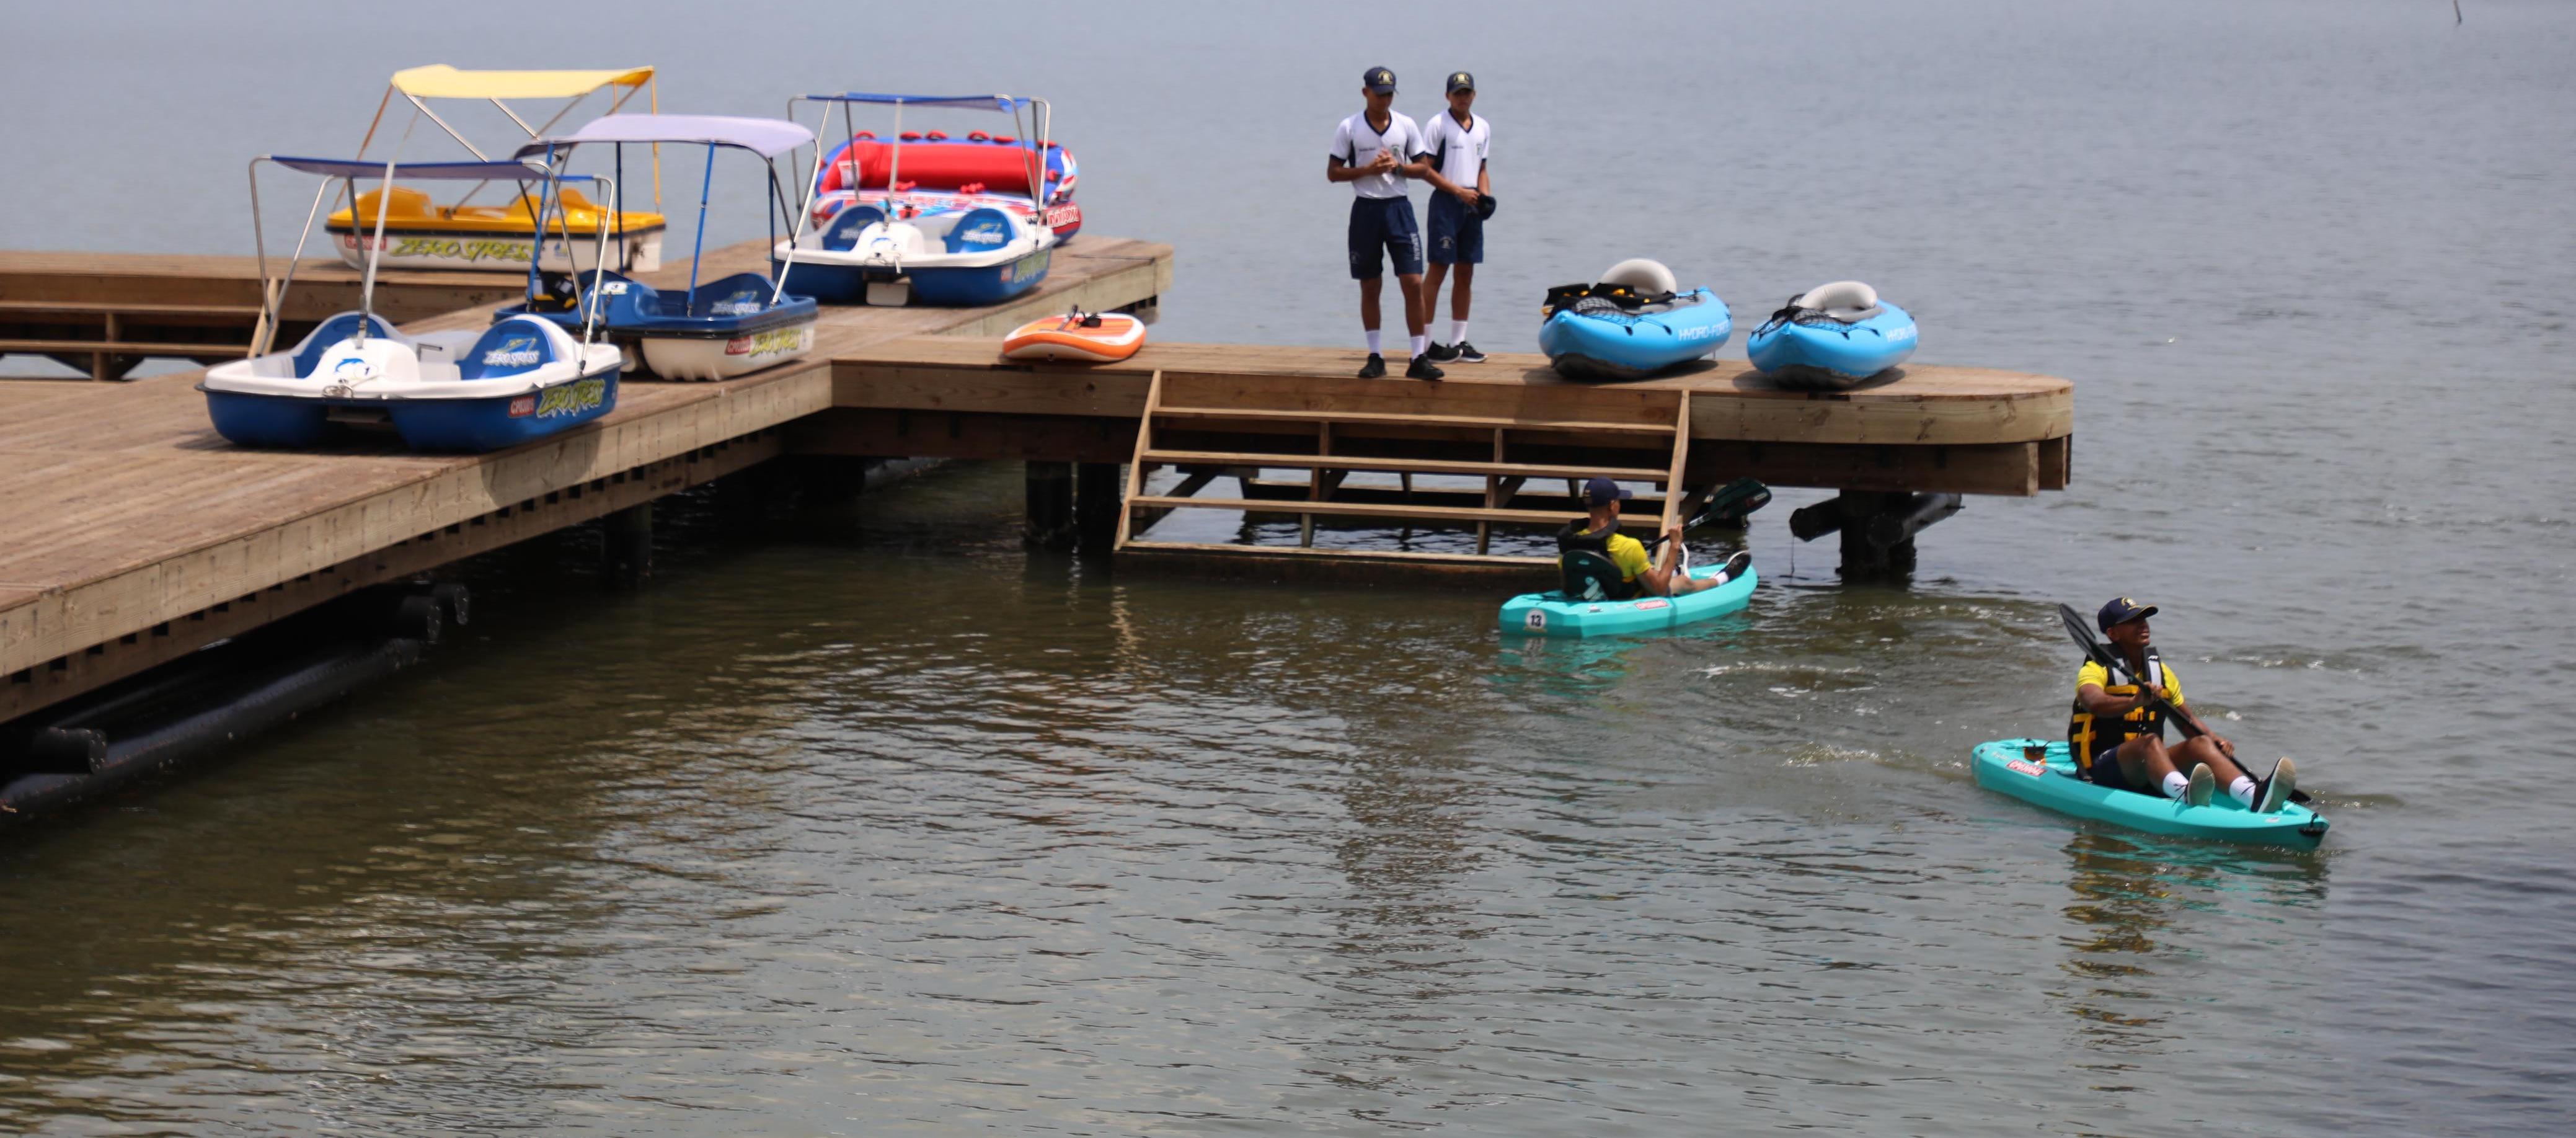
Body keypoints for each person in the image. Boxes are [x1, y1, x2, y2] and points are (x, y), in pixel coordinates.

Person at [2071, 597, 2296, 811]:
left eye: (2144, 618)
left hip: (2146, 767)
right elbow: (2093, 702)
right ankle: (2184, 793)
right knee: (2149, 743)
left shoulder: (2161, 672)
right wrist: (2135, 701)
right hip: (2103, 768)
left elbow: (2187, 721)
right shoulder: (2095, 669)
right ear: (2113, 633)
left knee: (2199, 743)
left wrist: (2213, 739)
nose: (2143, 625)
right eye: (2132, 621)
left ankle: (2253, 796)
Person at [1327, 66, 1443, 381]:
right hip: (1366, 211)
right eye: (1379, 94)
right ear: (1365, 92)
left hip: (1399, 210)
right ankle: (1375, 355)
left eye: (1389, 94)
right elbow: (1333, 173)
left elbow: (1424, 168)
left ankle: (1418, 357)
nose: (1384, 100)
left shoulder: (1405, 124)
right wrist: (1367, 170)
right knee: (1370, 284)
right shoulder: (1349, 127)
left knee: (1414, 282)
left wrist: (1398, 168)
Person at [1418, 71, 1492, 365]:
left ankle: (1459, 342)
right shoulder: (1438, 125)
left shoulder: (1483, 127)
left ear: (1474, 95)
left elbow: (1482, 167)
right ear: (1448, 96)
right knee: (1438, 270)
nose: (1463, 97)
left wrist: (1484, 197)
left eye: (1467, 92)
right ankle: (1422, 344)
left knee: (1466, 272)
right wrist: (1458, 192)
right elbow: (1426, 170)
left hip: (1471, 204)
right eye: (1457, 93)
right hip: (1446, 203)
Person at [1554, 476, 1711, 599]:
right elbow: (1660, 589)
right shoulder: (1629, 546)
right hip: (1625, 601)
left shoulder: (1569, 543)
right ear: (1612, 505)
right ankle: (1722, 580)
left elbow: (1566, 586)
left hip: (1589, 598)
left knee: (1652, 572)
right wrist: (1675, 545)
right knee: (1684, 582)